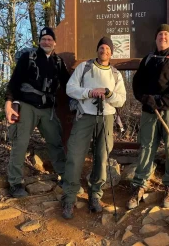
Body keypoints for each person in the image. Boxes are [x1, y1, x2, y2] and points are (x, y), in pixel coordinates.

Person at [126, 24, 169, 209]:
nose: (163, 37)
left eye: (166, 35)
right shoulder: (148, 59)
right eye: (160, 34)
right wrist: (145, 99)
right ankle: (139, 185)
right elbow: (137, 84)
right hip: (149, 111)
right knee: (146, 147)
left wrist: (161, 102)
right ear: (156, 38)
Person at [61, 36, 127, 219]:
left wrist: (108, 93)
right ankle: (69, 198)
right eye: (101, 47)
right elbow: (70, 88)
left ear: (111, 53)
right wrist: (89, 93)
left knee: (102, 158)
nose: (104, 50)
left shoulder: (115, 74)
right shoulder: (84, 67)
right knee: (74, 156)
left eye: (107, 48)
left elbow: (121, 99)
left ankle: (95, 196)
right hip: (84, 116)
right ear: (97, 50)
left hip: (106, 118)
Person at [5, 27, 70, 198]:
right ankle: (15, 183)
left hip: (48, 109)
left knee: (55, 141)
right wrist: (9, 103)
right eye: (44, 39)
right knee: (20, 143)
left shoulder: (58, 62)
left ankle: (64, 175)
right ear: (39, 41)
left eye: (50, 39)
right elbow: (15, 81)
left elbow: (68, 84)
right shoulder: (29, 57)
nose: (46, 42)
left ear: (54, 42)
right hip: (27, 105)